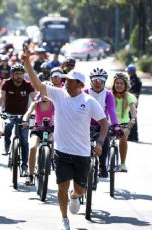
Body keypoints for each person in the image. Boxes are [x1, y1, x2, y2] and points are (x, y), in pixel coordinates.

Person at [22, 49, 108, 230]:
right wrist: (28, 64)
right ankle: (64, 219)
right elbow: (37, 85)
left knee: (80, 189)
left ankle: (75, 196)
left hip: (82, 152)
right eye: (65, 80)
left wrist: (99, 142)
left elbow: (103, 123)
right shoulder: (59, 95)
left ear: (79, 84)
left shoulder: (89, 101)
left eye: (68, 81)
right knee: (62, 186)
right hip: (61, 151)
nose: (65, 83)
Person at [0, 64, 35, 176]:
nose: (19, 76)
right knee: (8, 126)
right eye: (16, 74)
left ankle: (24, 166)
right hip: (9, 113)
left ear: (24, 75)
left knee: (24, 140)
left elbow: (34, 99)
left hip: (24, 115)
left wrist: (34, 112)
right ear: (12, 75)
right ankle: (7, 144)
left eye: (21, 74)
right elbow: (1, 96)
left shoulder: (27, 85)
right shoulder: (6, 83)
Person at [84, 68, 120, 178]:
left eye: (101, 81)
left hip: (102, 125)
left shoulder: (108, 94)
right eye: (95, 81)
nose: (98, 83)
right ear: (91, 81)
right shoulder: (85, 92)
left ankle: (102, 165)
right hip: (86, 124)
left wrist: (116, 126)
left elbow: (112, 111)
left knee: (104, 142)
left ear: (105, 82)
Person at [22, 81, 55, 185]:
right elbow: (27, 113)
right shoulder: (36, 103)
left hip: (50, 129)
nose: (45, 95)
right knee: (32, 147)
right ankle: (30, 175)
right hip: (37, 129)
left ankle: (52, 160)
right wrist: (24, 121)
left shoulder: (54, 104)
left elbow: (62, 114)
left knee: (53, 141)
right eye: (43, 92)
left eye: (48, 92)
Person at [111, 73, 137, 172]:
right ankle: (101, 164)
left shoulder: (129, 96)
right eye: (117, 83)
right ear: (113, 84)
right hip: (110, 123)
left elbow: (133, 108)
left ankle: (122, 164)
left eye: (121, 83)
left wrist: (133, 119)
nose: (119, 85)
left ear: (125, 85)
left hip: (124, 124)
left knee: (123, 138)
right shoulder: (109, 94)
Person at [126, 64, 142, 142]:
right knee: (130, 118)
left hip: (133, 102)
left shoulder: (136, 80)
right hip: (130, 101)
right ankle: (130, 136)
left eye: (128, 71)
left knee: (133, 118)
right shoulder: (132, 79)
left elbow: (133, 92)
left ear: (132, 71)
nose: (127, 72)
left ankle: (134, 136)